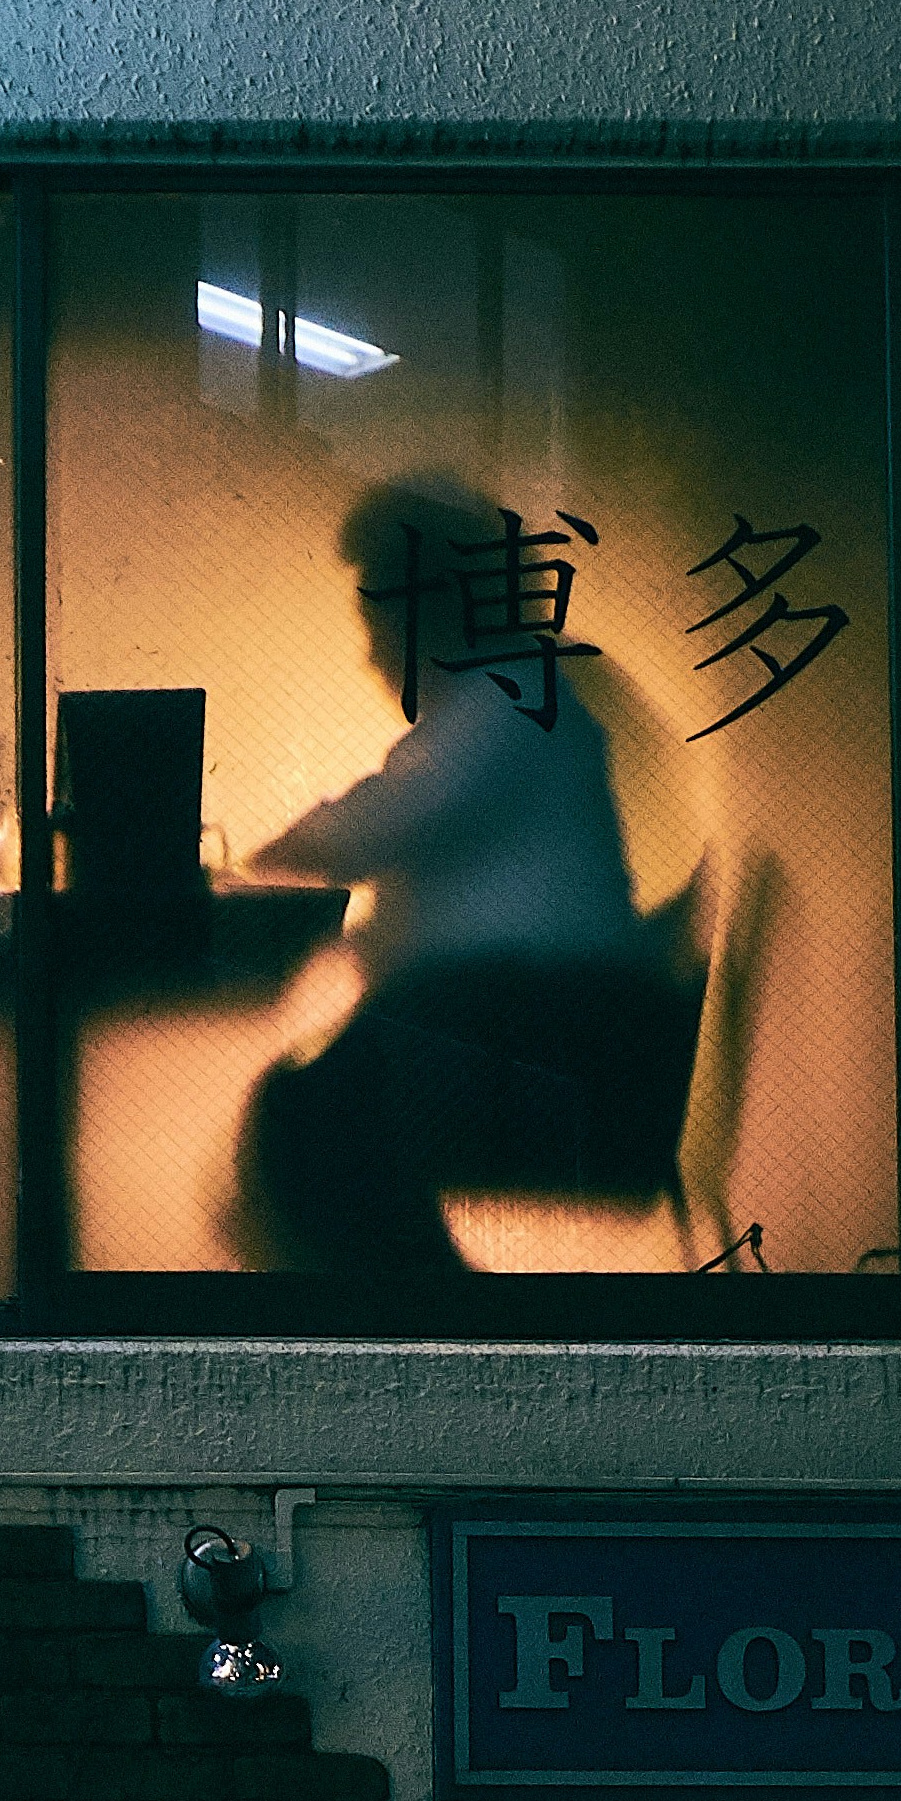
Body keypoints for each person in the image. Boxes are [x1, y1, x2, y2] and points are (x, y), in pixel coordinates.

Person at [242, 476, 701, 1287]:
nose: (371, 651)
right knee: (310, 1115)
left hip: (532, 1033)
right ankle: (436, 1307)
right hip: (534, 1023)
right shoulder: (506, 699)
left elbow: (364, 829)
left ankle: (434, 1318)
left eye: (375, 619)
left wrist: (259, 861)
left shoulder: (507, 699)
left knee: (306, 1122)